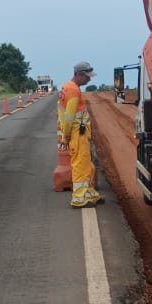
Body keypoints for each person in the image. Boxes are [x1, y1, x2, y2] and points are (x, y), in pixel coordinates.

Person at [59, 61, 102, 208]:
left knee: (87, 165)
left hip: (80, 133)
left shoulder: (70, 87)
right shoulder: (73, 90)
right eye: (87, 76)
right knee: (79, 165)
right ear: (79, 74)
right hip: (77, 134)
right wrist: (66, 136)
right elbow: (69, 116)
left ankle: (89, 194)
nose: (89, 79)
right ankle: (79, 198)